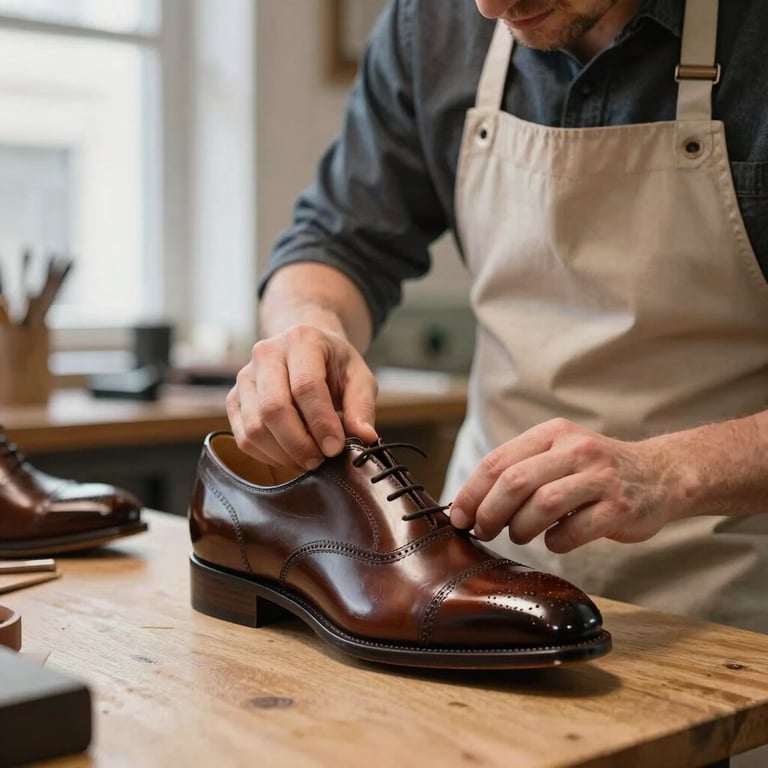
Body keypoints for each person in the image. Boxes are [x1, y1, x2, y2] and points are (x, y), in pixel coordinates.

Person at [227, 0, 768, 642]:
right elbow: (337, 239)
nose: (491, 6)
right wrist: (308, 323)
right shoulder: (434, 24)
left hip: (732, 612)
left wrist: (671, 470)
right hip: (475, 584)